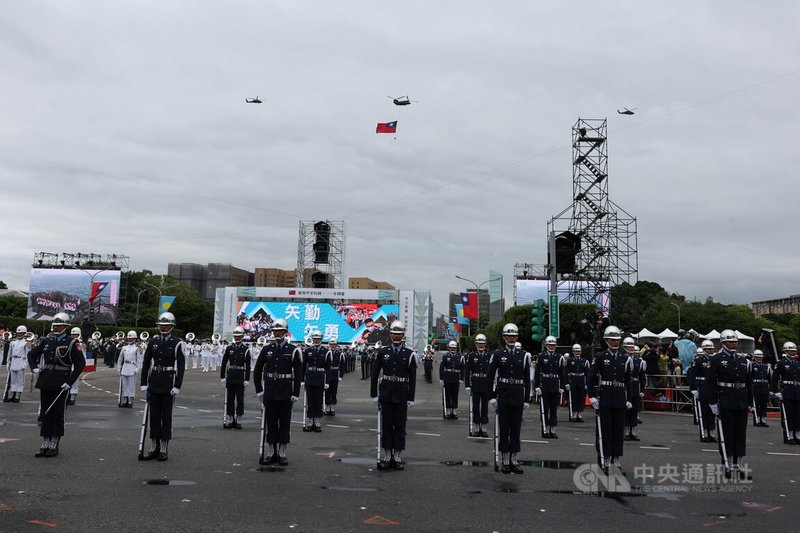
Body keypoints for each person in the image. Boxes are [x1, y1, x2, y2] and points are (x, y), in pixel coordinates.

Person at [27, 312, 85, 457]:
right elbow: (32, 354)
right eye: (54, 325)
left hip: (61, 382)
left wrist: (70, 382)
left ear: (65, 326)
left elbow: (80, 364)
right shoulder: (47, 341)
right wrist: (34, 368)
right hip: (46, 380)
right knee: (45, 412)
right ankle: (45, 442)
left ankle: (54, 443)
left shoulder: (72, 343)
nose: (55, 327)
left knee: (58, 414)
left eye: (58, 325)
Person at [254, 318, 302, 466]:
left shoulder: (293, 350)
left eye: (279, 331)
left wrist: (295, 393)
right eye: (274, 331)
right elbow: (257, 371)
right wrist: (259, 391)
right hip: (270, 390)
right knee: (271, 421)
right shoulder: (267, 349)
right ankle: (271, 451)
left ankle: (282, 452)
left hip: (285, 391)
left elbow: (299, 374)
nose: (276, 333)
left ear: (285, 332)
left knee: (285, 422)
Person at [370, 320, 417, 471]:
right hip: (386, 393)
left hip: (402, 394)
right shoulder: (383, 352)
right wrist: (374, 395)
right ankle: (387, 455)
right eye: (394, 334)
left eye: (399, 334)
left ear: (403, 335)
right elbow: (375, 373)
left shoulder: (409, 354)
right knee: (386, 425)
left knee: (400, 426)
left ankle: (397, 456)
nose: (396, 337)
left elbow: (413, 378)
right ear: (390, 335)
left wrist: (411, 397)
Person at [140, 312, 186, 461]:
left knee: (166, 417)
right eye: (161, 325)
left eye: (166, 325)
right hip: (154, 381)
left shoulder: (177, 343)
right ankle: (154, 446)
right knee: (153, 416)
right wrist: (143, 384)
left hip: (168, 382)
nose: (163, 327)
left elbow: (181, 366)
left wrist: (177, 386)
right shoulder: (153, 342)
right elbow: (146, 363)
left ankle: (164, 447)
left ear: (172, 326)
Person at [706, 329, 752, 479]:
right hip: (725, 399)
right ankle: (727, 462)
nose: (734, 344)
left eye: (735, 342)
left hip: (741, 399)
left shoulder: (743, 360)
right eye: (731, 342)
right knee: (727, 433)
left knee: (740, 433)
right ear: (723, 343)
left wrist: (750, 402)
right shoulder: (716, 359)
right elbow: (710, 382)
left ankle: (738, 463)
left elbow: (748, 383)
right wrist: (712, 402)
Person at [587, 325, 632, 473]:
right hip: (605, 397)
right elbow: (591, 377)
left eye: (617, 340)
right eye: (612, 340)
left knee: (618, 431)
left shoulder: (625, 358)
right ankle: (605, 460)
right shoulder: (601, 357)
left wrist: (629, 398)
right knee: (605, 431)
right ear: (606, 340)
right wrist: (592, 396)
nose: (615, 342)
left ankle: (616, 460)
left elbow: (628, 380)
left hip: (619, 397)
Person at [489, 323, 531, 474]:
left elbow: (527, 379)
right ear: (504, 337)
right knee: (504, 429)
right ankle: (505, 460)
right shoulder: (498, 354)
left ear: (517, 337)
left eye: (514, 336)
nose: (511, 338)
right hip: (504, 396)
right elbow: (490, 376)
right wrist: (492, 397)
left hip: (518, 397)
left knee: (516, 430)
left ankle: (514, 459)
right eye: (509, 336)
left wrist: (527, 399)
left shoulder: (524, 355)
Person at [220, 326, 251, 429]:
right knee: (230, 399)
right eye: (236, 336)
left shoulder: (246, 350)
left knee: (240, 399)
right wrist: (222, 377)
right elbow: (224, 363)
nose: (237, 338)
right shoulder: (229, 348)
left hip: (240, 376)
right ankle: (231, 418)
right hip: (231, 375)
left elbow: (248, 366)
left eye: (239, 336)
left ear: (242, 336)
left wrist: (247, 379)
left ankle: (239, 419)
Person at [771, 341, 800, 444]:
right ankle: (789, 435)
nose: (793, 352)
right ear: (786, 351)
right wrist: (775, 392)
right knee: (788, 415)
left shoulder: (797, 363)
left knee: (797, 415)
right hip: (787, 391)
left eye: (794, 351)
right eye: (791, 351)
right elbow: (774, 378)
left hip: (797, 391)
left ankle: (797, 435)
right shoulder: (781, 363)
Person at [535, 335, 563, 438]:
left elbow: (562, 373)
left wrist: (562, 386)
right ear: (546, 345)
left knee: (553, 409)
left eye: (553, 345)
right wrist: (537, 386)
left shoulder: (559, 357)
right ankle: (545, 428)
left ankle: (553, 428)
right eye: (550, 345)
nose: (552, 346)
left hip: (555, 385)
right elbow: (537, 372)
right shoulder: (541, 356)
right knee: (544, 409)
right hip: (545, 385)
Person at [301, 330, 329, 432]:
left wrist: (327, 382)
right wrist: (302, 380)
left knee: (318, 401)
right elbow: (303, 366)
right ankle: (309, 421)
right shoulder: (308, 351)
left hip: (320, 378)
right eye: (315, 339)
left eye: (318, 339)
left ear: (321, 339)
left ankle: (317, 421)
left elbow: (328, 368)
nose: (316, 340)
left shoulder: (325, 352)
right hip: (310, 377)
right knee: (310, 401)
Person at [465, 334, 492, 437]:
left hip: (485, 383)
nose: (481, 345)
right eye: (479, 343)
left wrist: (492, 384)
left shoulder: (489, 355)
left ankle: (484, 427)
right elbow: (467, 371)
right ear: (476, 344)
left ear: (485, 344)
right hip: (475, 383)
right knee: (475, 406)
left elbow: (492, 372)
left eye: (482, 343)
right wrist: (467, 385)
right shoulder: (471, 356)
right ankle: (476, 427)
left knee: (484, 407)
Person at [623, 338, 646, 441]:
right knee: (626, 411)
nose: (631, 349)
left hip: (636, 387)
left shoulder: (639, 361)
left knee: (635, 410)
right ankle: (626, 432)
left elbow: (642, 377)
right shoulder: (623, 358)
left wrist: (642, 390)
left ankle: (634, 431)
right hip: (626, 388)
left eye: (632, 347)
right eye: (629, 347)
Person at [561, 343, 589, 422]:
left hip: (581, 380)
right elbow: (566, 372)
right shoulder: (570, 360)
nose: (578, 352)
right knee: (573, 398)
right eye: (576, 351)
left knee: (580, 398)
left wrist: (587, 384)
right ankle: (573, 413)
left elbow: (587, 374)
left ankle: (579, 414)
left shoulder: (584, 361)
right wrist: (566, 383)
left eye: (579, 351)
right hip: (573, 380)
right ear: (573, 351)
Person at [4, 325, 30, 403]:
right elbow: (9, 354)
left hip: (21, 362)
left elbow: (27, 354)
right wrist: (8, 362)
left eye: (20, 333)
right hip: (14, 362)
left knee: (20, 381)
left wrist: (25, 364)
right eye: (18, 332)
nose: (18, 334)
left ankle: (17, 396)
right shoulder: (12, 342)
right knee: (13, 380)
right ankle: (12, 395)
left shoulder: (26, 343)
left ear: (24, 333)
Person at [439, 340, 464, 419]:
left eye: (454, 347)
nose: (453, 349)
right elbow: (442, 367)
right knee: (448, 394)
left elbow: (463, 368)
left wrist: (462, 378)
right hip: (447, 377)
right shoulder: (445, 356)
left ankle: (454, 410)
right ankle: (449, 410)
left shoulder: (460, 356)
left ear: (456, 348)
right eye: (451, 348)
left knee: (455, 395)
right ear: (449, 348)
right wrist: (441, 378)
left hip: (456, 377)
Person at [116, 331, 141, 408]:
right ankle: (125, 399)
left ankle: (130, 400)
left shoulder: (137, 349)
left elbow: (140, 360)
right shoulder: (124, 348)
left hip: (132, 368)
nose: (130, 340)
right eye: (129, 338)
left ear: (135, 339)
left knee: (131, 385)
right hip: (125, 368)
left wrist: (137, 369)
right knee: (124, 385)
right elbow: (120, 359)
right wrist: (119, 368)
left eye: (132, 338)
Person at [750, 349, 771, 428]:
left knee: (763, 404)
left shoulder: (766, 366)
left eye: (761, 357)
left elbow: (769, 379)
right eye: (758, 357)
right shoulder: (752, 365)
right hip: (756, 386)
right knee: (756, 404)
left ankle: (763, 419)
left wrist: (770, 389)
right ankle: (757, 419)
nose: (760, 358)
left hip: (764, 386)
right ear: (754, 357)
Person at [324, 338, 345, 416]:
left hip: (335, 374)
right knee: (327, 392)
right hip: (327, 375)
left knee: (333, 392)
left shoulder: (340, 354)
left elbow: (342, 366)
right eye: (331, 344)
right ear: (329, 345)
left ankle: (332, 408)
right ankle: (327, 407)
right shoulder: (326, 353)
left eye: (334, 344)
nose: (332, 346)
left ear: (336, 345)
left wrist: (341, 376)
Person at [66, 327, 84, 405]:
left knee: (75, 383)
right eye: (72, 334)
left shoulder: (79, 344)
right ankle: (67, 397)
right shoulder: (69, 343)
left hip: (76, 366)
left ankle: (72, 398)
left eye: (75, 334)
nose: (73, 336)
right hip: (68, 365)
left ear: (78, 335)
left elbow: (82, 357)